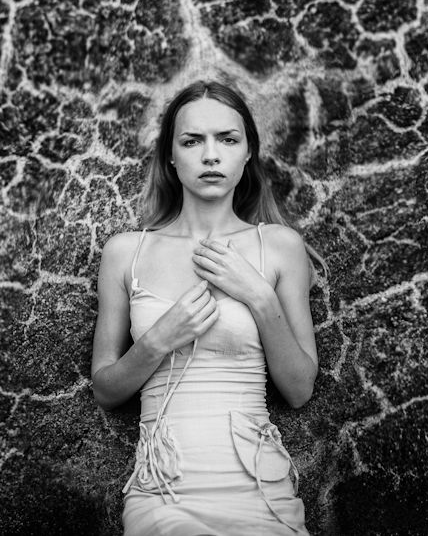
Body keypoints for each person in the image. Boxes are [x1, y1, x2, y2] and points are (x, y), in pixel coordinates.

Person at [91, 80, 320, 535]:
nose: (211, 156)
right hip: (163, 490)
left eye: (228, 140)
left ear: (248, 153)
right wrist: (157, 341)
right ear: (171, 156)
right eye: (193, 141)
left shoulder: (279, 247)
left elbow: (299, 389)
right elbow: (106, 391)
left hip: (260, 489)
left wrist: (258, 295)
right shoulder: (126, 252)